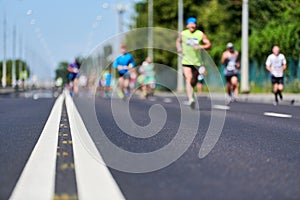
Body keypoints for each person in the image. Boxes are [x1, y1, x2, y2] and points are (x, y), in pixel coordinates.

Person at [176, 16, 211, 109]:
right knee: (188, 78)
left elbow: (208, 44)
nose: (192, 25)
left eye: (194, 23)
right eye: (191, 23)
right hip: (186, 61)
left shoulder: (200, 34)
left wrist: (200, 47)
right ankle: (190, 99)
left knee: (193, 81)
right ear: (187, 25)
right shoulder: (183, 33)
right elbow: (178, 41)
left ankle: (191, 94)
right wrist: (179, 48)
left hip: (197, 62)